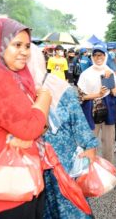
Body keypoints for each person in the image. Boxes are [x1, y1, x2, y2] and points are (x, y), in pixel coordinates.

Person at [0, 18, 51, 218]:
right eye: (16, 45)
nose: (25, 52)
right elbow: (31, 127)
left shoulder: (5, 76)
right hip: (1, 192)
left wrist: (33, 127)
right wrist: (45, 97)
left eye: (27, 46)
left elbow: (38, 126)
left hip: (7, 184)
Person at [27, 44, 98, 219]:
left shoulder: (60, 88)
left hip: (62, 167)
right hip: (32, 167)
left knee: (68, 209)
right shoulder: (15, 89)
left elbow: (80, 125)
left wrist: (89, 156)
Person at [78, 44, 116, 163]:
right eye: (95, 55)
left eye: (100, 54)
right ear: (92, 57)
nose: (98, 57)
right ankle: (90, 171)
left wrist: (108, 80)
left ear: (105, 56)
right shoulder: (85, 74)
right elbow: (81, 96)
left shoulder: (109, 72)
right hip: (91, 109)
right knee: (90, 142)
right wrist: (98, 95)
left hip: (109, 108)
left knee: (108, 143)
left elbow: (115, 92)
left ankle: (109, 170)